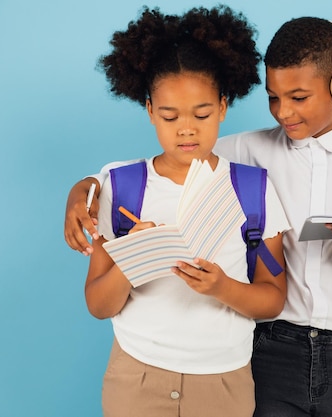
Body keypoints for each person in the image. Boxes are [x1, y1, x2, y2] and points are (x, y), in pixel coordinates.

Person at [65, 17, 332, 417]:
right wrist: (83, 187)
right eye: (274, 98)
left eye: (297, 97)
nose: (283, 113)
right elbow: (168, 160)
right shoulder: (245, 148)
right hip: (270, 347)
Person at [79, 6, 289, 417]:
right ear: (150, 110)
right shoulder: (123, 187)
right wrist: (134, 259)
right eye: (170, 116)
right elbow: (98, 304)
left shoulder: (252, 189)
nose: (186, 128)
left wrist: (222, 287)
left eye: (203, 114)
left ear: (224, 107)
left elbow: (273, 298)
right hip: (135, 376)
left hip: (224, 382)